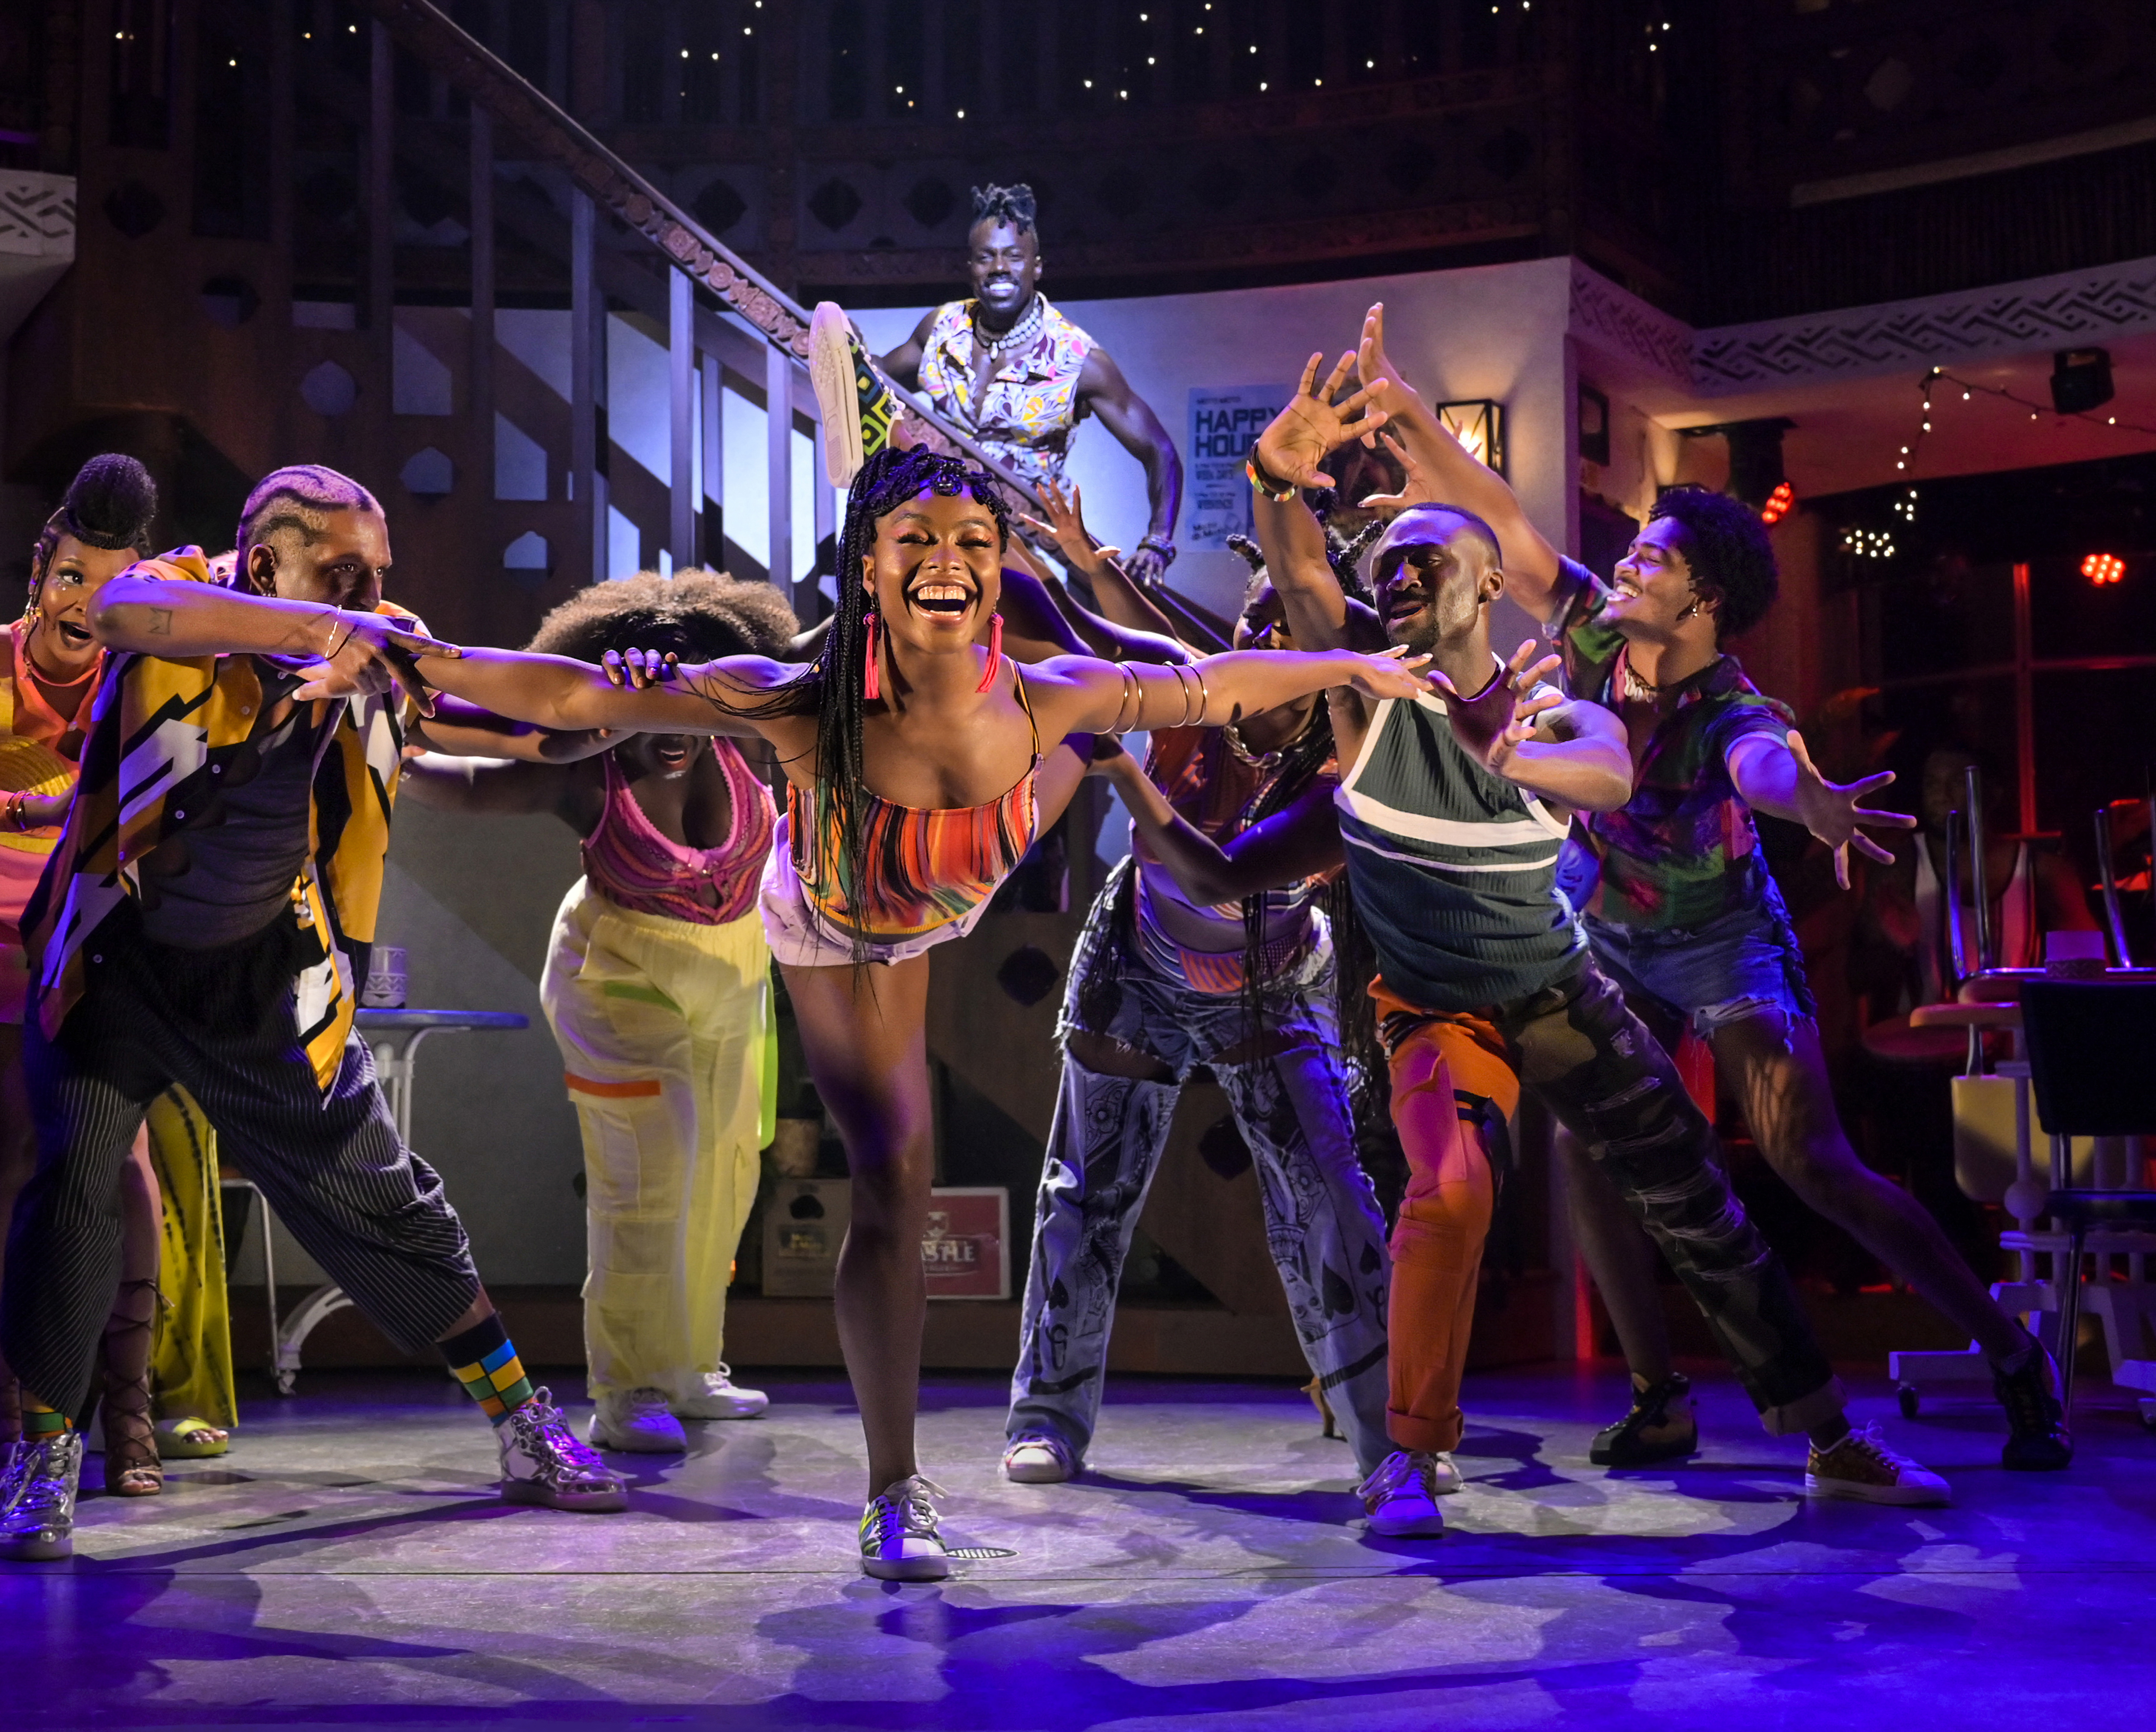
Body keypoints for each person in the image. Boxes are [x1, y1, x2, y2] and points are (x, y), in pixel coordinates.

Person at [366, 444, 1432, 1581]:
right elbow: (572, 699)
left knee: (1099, 722)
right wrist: (399, 655)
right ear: (866, 569)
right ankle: (893, 1488)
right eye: (913, 541)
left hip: (963, 863)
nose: (947, 560)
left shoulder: (1051, 688)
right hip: (841, 916)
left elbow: (1211, 684)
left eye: (972, 541)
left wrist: (1357, 670)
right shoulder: (796, 700)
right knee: (891, 1174)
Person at [1114, 353, 1952, 1538]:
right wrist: (1268, 472)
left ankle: (1827, 1434)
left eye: (1424, 557)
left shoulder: (1554, 699)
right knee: (1446, 1190)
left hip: (1558, 989)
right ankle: (1404, 1458)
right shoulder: (1361, 685)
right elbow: (1300, 568)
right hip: (1430, 1004)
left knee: (1695, 1200)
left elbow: (1605, 770)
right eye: (1384, 557)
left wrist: (1512, 755)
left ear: (1481, 587)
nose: (1394, 570)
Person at [1331, 307, 2072, 1471]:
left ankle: (2009, 1347)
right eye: (1630, 549)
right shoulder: (1582, 628)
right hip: (1605, 930)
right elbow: (1500, 512)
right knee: (1592, 1143)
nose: (1624, 560)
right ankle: (1655, 1393)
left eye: (1651, 557)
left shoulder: (1729, 705)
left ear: (1703, 600)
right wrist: (1406, 410)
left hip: (1719, 941)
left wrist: (1812, 803)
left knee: (1806, 1158)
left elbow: (1762, 769)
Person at [0, 464, 630, 1563]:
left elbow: (523, 715)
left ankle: (524, 1422)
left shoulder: (375, 648)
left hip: (267, 972)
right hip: (117, 956)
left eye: (379, 574)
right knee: (77, 1181)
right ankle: (42, 1455)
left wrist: (625, 699)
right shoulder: (182, 593)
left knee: (379, 1193)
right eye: (344, 570)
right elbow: (125, 608)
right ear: (265, 561)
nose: (370, 594)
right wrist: (320, 629)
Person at [998, 495, 1397, 1493]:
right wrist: (1003, 559)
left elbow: (1222, 873)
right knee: (1084, 1197)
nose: (1259, 635)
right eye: (1252, 618)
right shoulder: (1194, 686)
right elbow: (1101, 625)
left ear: (1330, 650)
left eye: (1283, 623)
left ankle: (1385, 1439)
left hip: (1267, 988)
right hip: (1140, 964)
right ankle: (1046, 1418)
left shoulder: (1350, 770)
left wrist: (1117, 775)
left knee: (1328, 1203)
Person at [400, 571, 800, 1455]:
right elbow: (469, 787)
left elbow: (815, 673)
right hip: (617, 973)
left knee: (724, 1172)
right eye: (644, 708)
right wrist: (384, 746)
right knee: (651, 1171)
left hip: (736, 971)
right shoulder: (586, 771)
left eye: (682, 706)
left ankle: (693, 1366)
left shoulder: (749, 748)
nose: (667, 733)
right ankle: (629, 1388)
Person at [0, 454, 230, 1500]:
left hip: (90, 931)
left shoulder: (140, 676)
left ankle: (125, 1415)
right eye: (72, 577)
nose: (87, 604)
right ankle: (9, 1417)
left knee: (121, 1161)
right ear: (41, 571)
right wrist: (39, 809)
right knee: (3, 1149)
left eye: (114, 584)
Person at [854, 185, 1184, 584]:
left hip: (1035, 554)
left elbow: (1160, 452)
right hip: (942, 538)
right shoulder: (941, 329)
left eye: (1013, 256)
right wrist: (847, 351)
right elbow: (874, 386)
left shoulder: (1077, 359)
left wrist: (1157, 543)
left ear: (1037, 266)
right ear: (970, 267)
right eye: (985, 257)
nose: (998, 268)